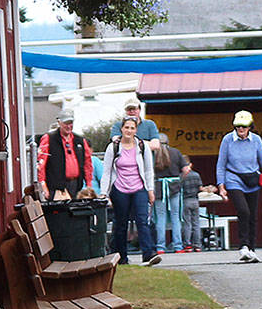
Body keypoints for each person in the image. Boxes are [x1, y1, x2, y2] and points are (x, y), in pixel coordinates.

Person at [216, 110, 262, 263]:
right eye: (238, 126)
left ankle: (251, 249)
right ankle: (243, 245)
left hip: (252, 178)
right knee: (243, 211)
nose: (241, 130)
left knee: (252, 215)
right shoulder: (227, 140)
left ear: (250, 126)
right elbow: (221, 164)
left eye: (244, 126)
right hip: (233, 177)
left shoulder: (256, 140)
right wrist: (221, 185)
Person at [101, 116, 160, 266]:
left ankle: (148, 254)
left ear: (136, 130)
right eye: (126, 127)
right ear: (121, 129)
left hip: (139, 187)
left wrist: (150, 190)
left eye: (132, 128)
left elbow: (148, 170)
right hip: (120, 188)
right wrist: (104, 193)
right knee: (121, 223)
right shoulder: (113, 147)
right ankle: (121, 257)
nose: (129, 130)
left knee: (142, 220)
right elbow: (107, 172)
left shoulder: (142, 146)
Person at [37, 111, 93, 200]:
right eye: (65, 123)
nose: (68, 126)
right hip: (55, 187)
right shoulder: (49, 138)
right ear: (59, 123)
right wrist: (43, 186)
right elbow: (41, 164)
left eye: (70, 123)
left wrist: (89, 184)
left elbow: (87, 164)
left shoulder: (80, 140)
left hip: (76, 185)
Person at [152, 132, 190, 254]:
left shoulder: (152, 154)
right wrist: (179, 180)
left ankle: (160, 247)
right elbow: (186, 170)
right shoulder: (176, 152)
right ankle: (178, 246)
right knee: (175, 217)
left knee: (160, 218)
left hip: (158, 188)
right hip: (174, 187)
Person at [179, 166, 204, 252]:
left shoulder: (182, 176)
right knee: (196, 223)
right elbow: (201, 188)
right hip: (195, 200)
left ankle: (187, 244)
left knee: (187, 223)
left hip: (185, 200)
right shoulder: (196, 175)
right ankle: (197, 245)